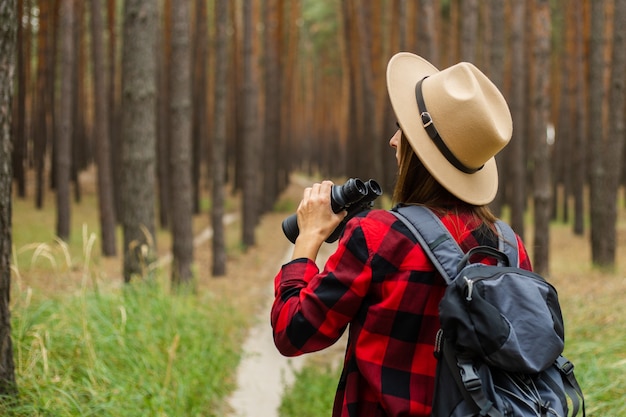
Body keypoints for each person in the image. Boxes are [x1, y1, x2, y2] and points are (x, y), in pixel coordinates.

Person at [270, 52, 532, 417]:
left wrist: (307, 240)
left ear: (418, 152)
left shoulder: (378, 237)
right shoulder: (509, 247)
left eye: (403, 131)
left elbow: (293, 332)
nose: (394, 141)